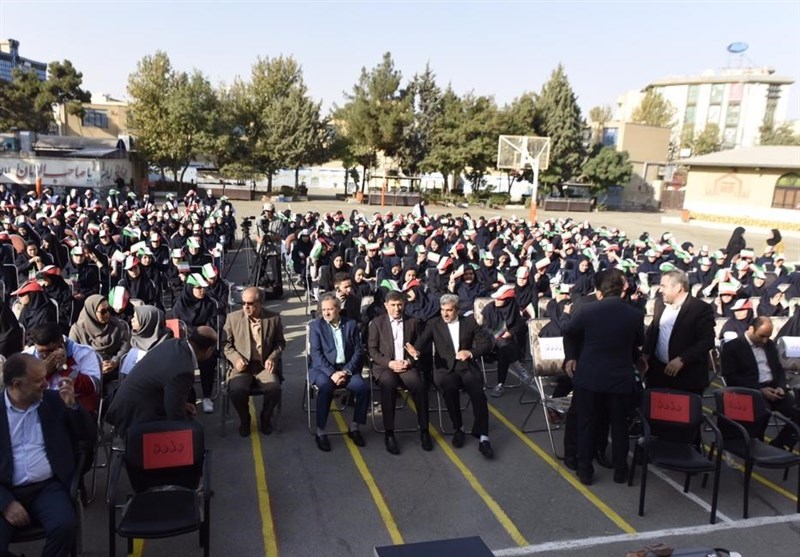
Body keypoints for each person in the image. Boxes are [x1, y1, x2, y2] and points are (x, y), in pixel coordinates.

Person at [0, 353, 95, 557]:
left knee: (64, 526)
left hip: (47, 488)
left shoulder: (54, 401)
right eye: (38, 380)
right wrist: (5, 503)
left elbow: (87, 438)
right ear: (17, 385)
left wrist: (72, 407)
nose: (45, 383)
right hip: (5, 489)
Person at [563, 269, 645, 485]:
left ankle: (585, 471)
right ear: (621, 290)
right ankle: (620, 470)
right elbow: (639, 341)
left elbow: (569, 330)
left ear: (599, 292)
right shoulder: (635, 314)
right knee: (619, 426)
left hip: (590, 377)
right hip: (619, 378)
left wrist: (565, 315)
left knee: (586, 424)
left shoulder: (587, 311)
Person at [406, 293, 494, 459]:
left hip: (466, 367)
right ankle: (458, 428)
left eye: (449, 310)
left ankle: (483, 436)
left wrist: (470, 352)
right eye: (442, 310)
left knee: (479, 395)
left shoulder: (469, 322)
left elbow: (486, 344)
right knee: (449, 390)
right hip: (445, 370)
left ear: (457, 310)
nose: (445, 314)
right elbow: (421, 343)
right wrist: (415, 352)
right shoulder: (434, 324)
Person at [104, 326, 218, 438]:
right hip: (134, 418)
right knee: (193, 433)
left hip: (123, 406)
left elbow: (163, 388)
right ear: (209, 350)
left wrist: (182, 405)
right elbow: (175, 415)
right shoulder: (183, 370)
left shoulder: (172, 343)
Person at [367, 290, 432, 455]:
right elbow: (372, 350)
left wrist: (410, 360)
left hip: (406, 365)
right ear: (386, 305)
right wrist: (389, 363)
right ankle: (389, 434)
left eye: (400, 305)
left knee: (419, 386)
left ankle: (425, 430)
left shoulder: (413, 322)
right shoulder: (377, 323)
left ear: (404, 305)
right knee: (388, 385)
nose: (397, 309)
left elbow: (419, 347)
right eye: (393, 305)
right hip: (385, 366)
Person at [721, 316, 798, 450]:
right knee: (762, 413)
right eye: (761, 336)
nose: (764, 340)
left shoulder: (770, 345)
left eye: (768, 337)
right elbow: (731, 378)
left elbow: (778, 368)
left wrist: (781, 386)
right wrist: (759, 390)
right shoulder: (732, 347)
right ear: (751, 329)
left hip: (774, 389)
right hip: (750, 391)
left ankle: (780, 445)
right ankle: (756, 445)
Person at [308, 293, 368, 452]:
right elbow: (316, 354)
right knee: (326, 388)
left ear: (338, 309)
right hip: (323, 369)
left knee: (363, 388)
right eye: (323, 310)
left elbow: (358, 351)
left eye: (330, 309)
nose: (326, 313)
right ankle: (321, 432)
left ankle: (354, 428)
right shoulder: (316, 326)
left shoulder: (351, 324)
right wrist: (332, 373)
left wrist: (346, 371)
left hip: (346, 368)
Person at [222, 287, 285, 437]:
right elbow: (225, 344)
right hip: (242, 367)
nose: (246, 307)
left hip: (263, 366)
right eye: (243, 303)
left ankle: (266, 417)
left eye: (250, 303)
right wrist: (236, 358)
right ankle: (245, 419)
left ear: (260, 303)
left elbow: (280, 343)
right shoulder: (232, 318)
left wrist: (272, 357)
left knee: (274, 389)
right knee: (236, 390)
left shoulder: (273, 318)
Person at [643, 269, 715, 395]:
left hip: (687, 377)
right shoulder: (659, 304)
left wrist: (682, 359)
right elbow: (653, 331)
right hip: (658, 374)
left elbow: (707, 341)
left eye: (664, 286)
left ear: (678, 288)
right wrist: (644, 355)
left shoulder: (700, 309)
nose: (660, 290)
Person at [23, 323, 102, 415]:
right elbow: (23, 391)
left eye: (49, 351)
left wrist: (64, 368)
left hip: (75, 410)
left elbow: (93, 386)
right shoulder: (27, 357)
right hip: (40, 410)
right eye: (41, 352)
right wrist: (45, 373)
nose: (44, 356)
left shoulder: (84, 353)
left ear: (61, 344)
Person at [170, 274, 219, 413]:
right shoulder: (180, 305)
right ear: (190, 288)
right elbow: (177, 327)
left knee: (209, 359)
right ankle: (187, 398)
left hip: (204, 341)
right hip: (185, 343)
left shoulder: (209, 304)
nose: (202, 291)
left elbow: (211, 326)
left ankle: (207, 396)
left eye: (203, 288)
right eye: (198, 288)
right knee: (180, 363)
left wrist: (201, 337)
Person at [69, 294, 131, 383]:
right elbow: (73, 354)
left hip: (114, 370)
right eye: (103, 312)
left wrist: (115, 361)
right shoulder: (77, 330)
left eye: (108, 310)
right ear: (91, 312)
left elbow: (125, 346)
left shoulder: (116, 325)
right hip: (88, 371)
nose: (107, 314)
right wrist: (96, 365)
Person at [482, 284, 530, 398]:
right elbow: (485, 328)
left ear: (508, 300)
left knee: (504, 350)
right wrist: (497, 334)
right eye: (496, 298)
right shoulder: (489, 308)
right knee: (503, 344)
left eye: (500, 299)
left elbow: (518, 326)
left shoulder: (513, 309)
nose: (497, 301)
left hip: (509, 342)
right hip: (491, 340)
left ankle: (500, 384)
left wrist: (511, 333)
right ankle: (520, 368)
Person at [119, 305, 173, 376]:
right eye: (133, 316)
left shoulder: (166, 343)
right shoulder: (133, 339)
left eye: (136, 318)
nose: (132, 320)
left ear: (147, 322)